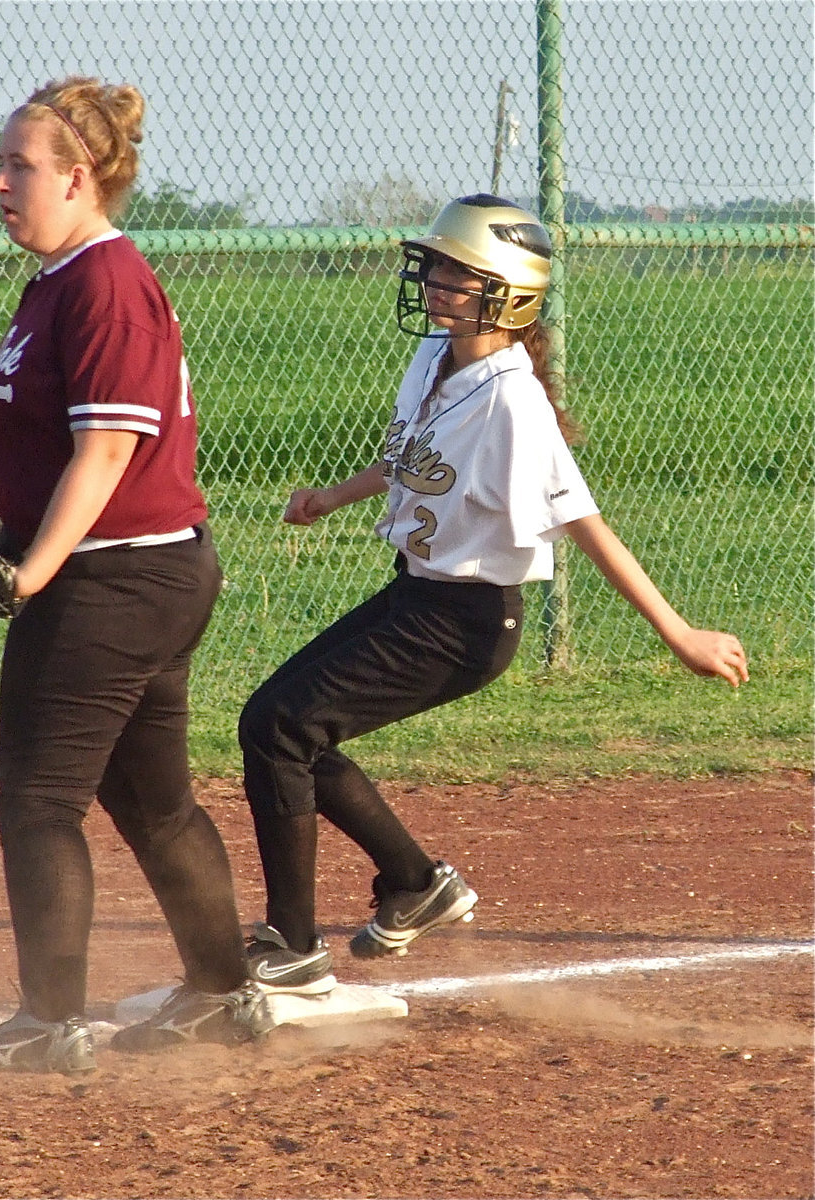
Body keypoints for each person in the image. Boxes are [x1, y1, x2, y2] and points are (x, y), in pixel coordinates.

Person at [238, 194, 749, 991]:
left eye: (457, 271)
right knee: (285, 727)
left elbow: (583, 522)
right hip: (417, 597)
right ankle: (414, 885)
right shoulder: (437, 360)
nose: (436, 281)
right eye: (435, 265)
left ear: (507, 292)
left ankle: (295, 950)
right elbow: (409, 459)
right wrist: (333, 496)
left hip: (465, 622)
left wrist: (677, 634)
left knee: (280, 727)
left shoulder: (513, 401)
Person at [0, 77, 269, 1075]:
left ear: (78, 178)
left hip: (112, 581)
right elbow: (51, 428)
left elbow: (111, 450)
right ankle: (221, 994)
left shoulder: (105, 282)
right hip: (142, 575)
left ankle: (49, 1022)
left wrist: (31, 570)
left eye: (19, 167)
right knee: (154, 803)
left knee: (39, 799)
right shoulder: (57, 283)